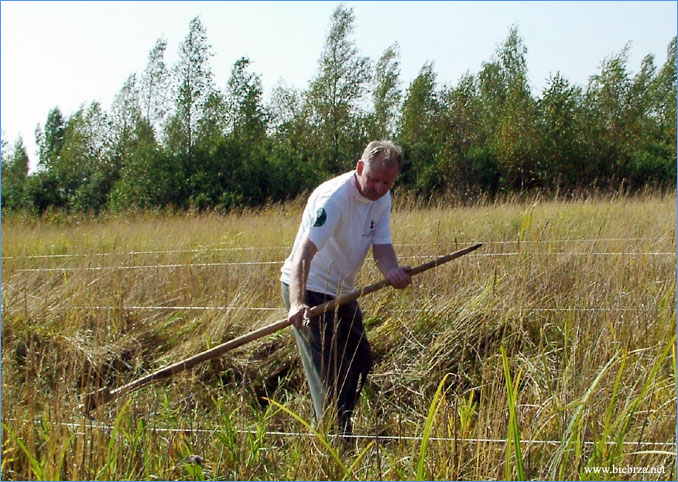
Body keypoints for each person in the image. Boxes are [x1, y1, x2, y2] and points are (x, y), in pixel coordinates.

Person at [280, 140, 412, 436]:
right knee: (333, 374)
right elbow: (304, 253)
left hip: (341, 291)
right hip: (309, 289)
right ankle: (332, 439)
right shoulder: (335, 198)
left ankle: (338, 427)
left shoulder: (382, 199)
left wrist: (392, 271)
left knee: (361, 361)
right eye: (374, 180)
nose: (379, 188)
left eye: (387, 183)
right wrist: (297, 302)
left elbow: (382, 247)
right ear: (360, 168)